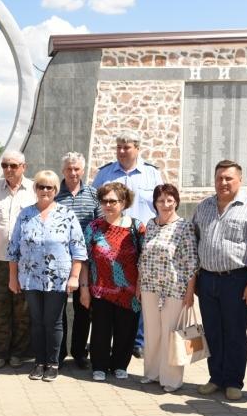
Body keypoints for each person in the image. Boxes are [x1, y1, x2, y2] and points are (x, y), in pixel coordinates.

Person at [192, 160, 247, 401]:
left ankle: (233, 381)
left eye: (229, 178)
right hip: (207, 280)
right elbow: (195, 238)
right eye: (219, 178)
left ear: (240, 180)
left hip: (236, 280)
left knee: (235, 332)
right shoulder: (204, 206)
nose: (223, 182)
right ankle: (215, 377)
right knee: (212, 331)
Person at [92, 129, 164, 360]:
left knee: (140, 290)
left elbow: (161, 206)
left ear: (137, 148)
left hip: (141, 240)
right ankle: (113, 342)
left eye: (127, 147)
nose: (122, 151)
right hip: (109, 242)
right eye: (119, 147)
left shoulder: (151, 174)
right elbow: (96, 206)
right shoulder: (105, 174)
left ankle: (138, 340)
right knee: (113, 292)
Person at [8, 170, 86, 382]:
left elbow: (78, 249)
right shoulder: (25, 215)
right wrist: (12, 277)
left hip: (58, 278)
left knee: (53, 322)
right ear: (35, 189)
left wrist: (74, 277)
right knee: (37, 321)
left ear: (55, 190)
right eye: (40, 186)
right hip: (30, 278)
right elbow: (13, 249)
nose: (44, 190)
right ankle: (39, 362)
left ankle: (53, 362)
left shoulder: (67, 214)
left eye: (49, 187)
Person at [80, 182, 145, 382]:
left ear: (124, 202)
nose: (108, 205)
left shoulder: (137, 227)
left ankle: (119, 364)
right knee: (100, 330)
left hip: (129, 290)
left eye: (113, 201)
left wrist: (140, 287)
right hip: (100, 288)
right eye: (104, 201)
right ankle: (99, 365)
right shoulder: (93, 227)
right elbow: (84, 260)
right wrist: (84, 289)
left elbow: (143, 259)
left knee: (126, 331)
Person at [137, 184, 198, 392]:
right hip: (149, 286)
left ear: (176, 202)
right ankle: (152, 373)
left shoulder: (184, 226)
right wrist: (138, 284)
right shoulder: (151, 225)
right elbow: (143, 257)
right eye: (161, 200)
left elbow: (191, 261)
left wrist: (189, 293)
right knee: (153, 332)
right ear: (155, 203)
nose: (165, 204)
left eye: (169, 200)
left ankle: (171, 379)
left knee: (171, 334)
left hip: (174, 288)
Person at [0, 149, 35, 370]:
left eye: (13, 165)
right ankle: (0, 352)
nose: (8, 170)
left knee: (22, 310)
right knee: (0, 307)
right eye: (4, 166)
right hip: (0, 260)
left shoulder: (34, 190)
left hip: (26, 262)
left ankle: (18, 354)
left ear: (24, 167)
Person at [55, 151, 99, 368]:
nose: (73, 173)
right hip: (60, 261)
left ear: (83, 170)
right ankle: (60, 352)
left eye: (77, 169)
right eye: (69, 169)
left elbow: (100, 226)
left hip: (86, 262)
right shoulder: (54, 195)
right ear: (63, 171)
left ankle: (80, 352)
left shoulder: (92, 194)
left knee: (84, 307)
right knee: (59, 308)